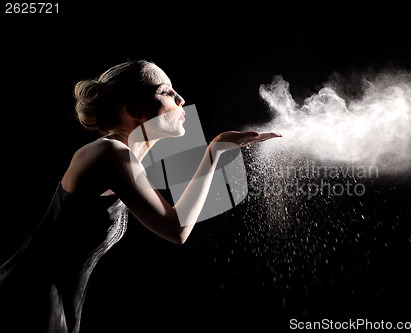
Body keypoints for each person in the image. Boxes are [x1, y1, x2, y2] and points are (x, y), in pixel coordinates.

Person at [0, 60, 280, 333]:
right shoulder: (109, 153)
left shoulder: (123, 158)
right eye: (166, 92)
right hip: (25, 301)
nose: (181, 99)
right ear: (134, 109)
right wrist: (214, 151)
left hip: (53, 303)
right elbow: (177, 229)